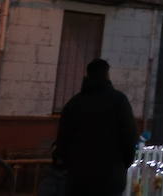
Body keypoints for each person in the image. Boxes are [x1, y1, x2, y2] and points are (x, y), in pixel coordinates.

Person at [55, 58, 138, 196]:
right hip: (110, 178)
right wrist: (122, 166)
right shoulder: (119, 101)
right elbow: (129, 138)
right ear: (107, 75)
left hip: (78, 179)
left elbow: (62, 141)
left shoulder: (74, 104)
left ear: (87, 76)